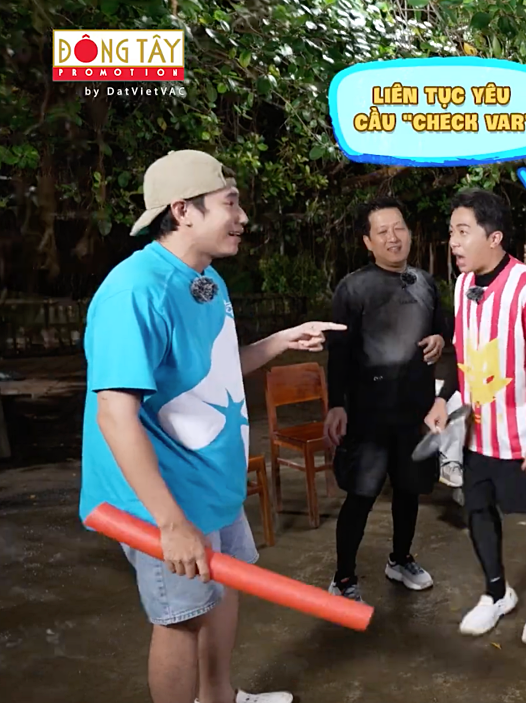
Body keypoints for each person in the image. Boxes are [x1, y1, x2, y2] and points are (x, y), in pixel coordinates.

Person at [79, 150, 345, 703]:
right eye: (230, 203)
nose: (242, 216)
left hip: (211, 481)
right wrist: (170, 522)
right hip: (165, 497)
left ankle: (220, 697)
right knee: (181, 618)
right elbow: (115, 414)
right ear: (183, 211)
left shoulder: (207, 281)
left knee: (222, 589)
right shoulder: (135, 292)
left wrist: (282, 340)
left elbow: (214, 371)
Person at [424, 187, 526, 647]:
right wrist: (445, 398)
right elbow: (464, 354)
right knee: (477, 508)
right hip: (483, 429)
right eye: (451, 232)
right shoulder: (463, 284)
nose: (453, 242)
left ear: (494, 237)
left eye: (462, 232)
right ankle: (497, 592)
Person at [322, 197, 447, 603]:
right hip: (368, 413)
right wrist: (336, 404)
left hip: (414, 409)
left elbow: (442, 331)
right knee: (361, 495)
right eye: (383, 232)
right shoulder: (353, 288)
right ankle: (343, 577)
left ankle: (400, 559)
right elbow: (338, 352)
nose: (394, 238)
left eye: (399, 228)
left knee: (409, 490)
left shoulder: (426, 282)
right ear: (368, 242)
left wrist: (440, 339)